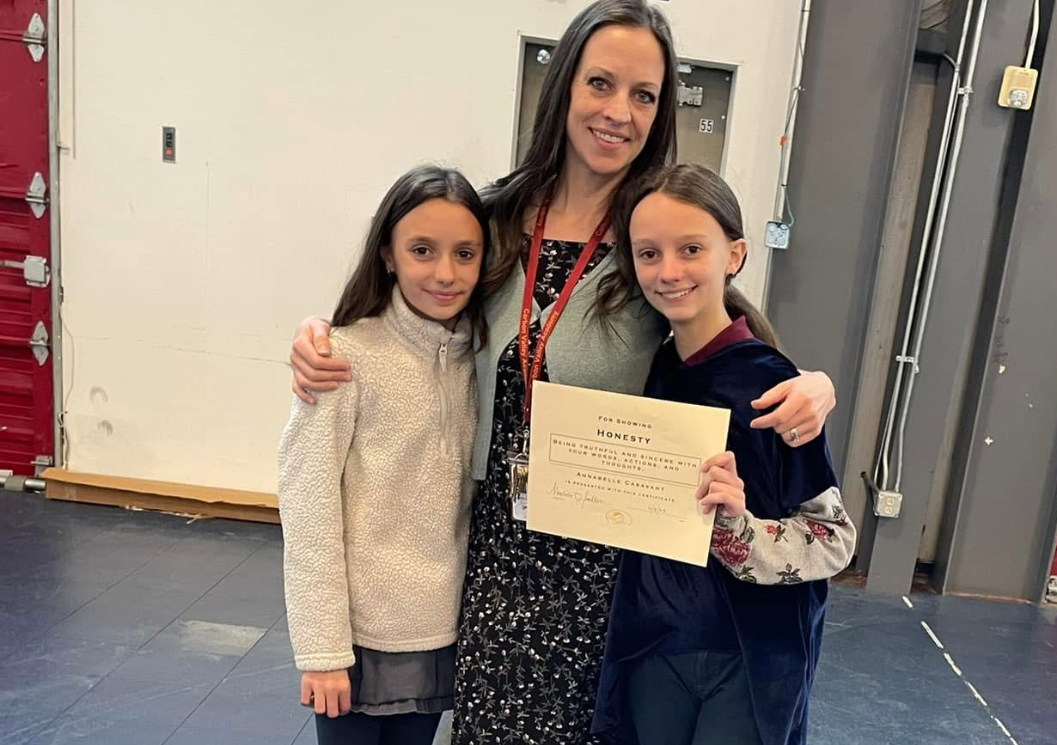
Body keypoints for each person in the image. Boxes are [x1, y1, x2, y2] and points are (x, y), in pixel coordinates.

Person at [287, 3, 839, 741]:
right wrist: (319, 334)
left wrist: (815, 383)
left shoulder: (649, 234)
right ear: (565, 85)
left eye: (644, 95)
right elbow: (407, 302)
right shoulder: (494, 219)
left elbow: (723, 328)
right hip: (492, 551)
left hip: (601, 566)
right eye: (601, 83)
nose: (619, 112)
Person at [592, 164, 857, 745]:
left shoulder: (772, 386)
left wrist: (740, 529)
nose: (668, 271)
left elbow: (833, 538)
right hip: (654, 646)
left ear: (734, 255)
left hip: (747, 658)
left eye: (691, 249)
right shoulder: (648, 374)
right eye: (649, 254)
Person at [278, 165, 485, 745]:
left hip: (439, 632)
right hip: (356, 640)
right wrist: (322, 648)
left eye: (465, 254)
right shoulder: (343, 357)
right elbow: (308, 506)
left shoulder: (484, 359)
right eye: (422, 250)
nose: (445, 273)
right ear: (388, 254)